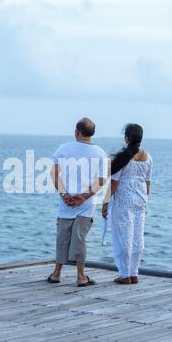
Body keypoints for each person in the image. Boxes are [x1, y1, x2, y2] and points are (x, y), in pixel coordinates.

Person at [48, 118, 108, 287]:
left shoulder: (63, 148)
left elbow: (54, 174)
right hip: (86, 204)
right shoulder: (100, 153)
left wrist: (64, 194)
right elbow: (101, 180)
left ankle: (56, 273)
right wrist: (83, 196)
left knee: (62, 238)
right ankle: (81, 276)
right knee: (79, 239)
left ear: (77, 131)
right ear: (92, 133)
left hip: (65, 203)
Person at [102, 124, 152, 285]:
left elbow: (114, 185)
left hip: (124, 201)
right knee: (138, 236)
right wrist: (144, 202)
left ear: (127, 138)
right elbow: (148, 183)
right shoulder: (148, 157)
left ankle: (124, 274)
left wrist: (104, 203)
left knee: (123, 237)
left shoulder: (123, 159)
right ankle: (134, 273)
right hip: (141, 201)